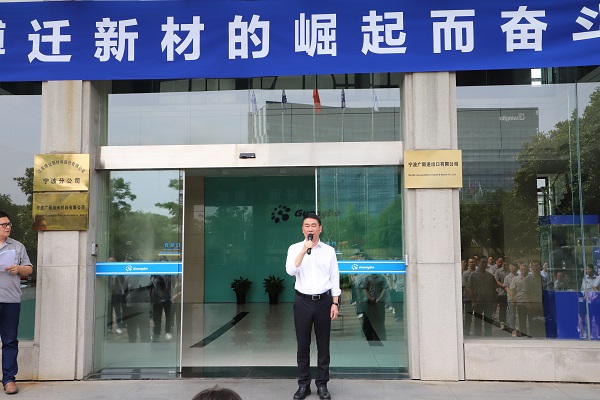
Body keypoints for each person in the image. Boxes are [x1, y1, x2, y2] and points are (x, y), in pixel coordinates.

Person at [286, 213, 340, 400]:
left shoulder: (329, 251)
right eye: (307, 225)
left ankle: (322, 385)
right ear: (303, 229)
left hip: (324, 302)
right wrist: (304, 250)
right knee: (303, 345)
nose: (310, 228)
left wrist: (335, 302)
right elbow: (290, 270)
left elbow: (334, 277)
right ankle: (304, 385)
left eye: (314, 225)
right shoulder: (294, 248)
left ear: (320, 228)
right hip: (302, 302)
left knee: (323, 346)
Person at [0, 211, 33, 395]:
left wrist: (18, 268)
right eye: (4, 225)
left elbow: (29, 269)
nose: (8, 227)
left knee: (10, 341)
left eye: (9, 224)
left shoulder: (17, 246)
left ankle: (9, 379)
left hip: (10, 300)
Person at [150, 275, 173, 341]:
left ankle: (168, 332)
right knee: (157, 318)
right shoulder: (154, 275)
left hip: (167, 298)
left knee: (168, 316)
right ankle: (156, 333)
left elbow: (172, 285)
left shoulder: (169, 275)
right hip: (157, 300)